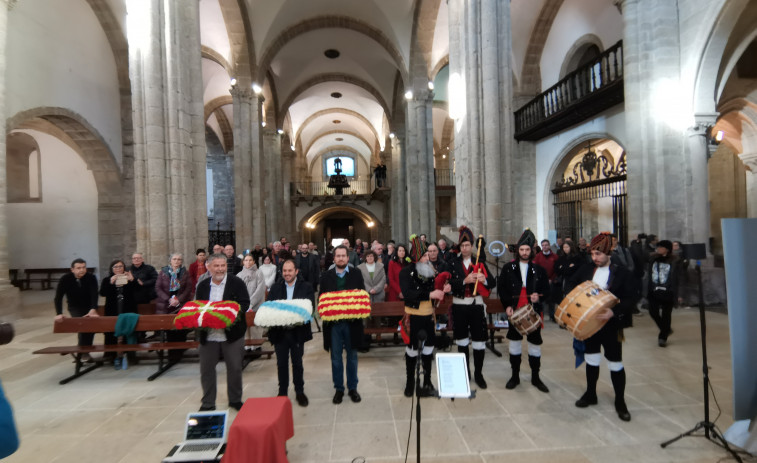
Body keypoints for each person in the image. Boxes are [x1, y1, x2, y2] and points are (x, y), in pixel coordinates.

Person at [566, 232, 635, 421]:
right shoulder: (587, 269)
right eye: (592, 254)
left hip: (611, 325)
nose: (594, 258)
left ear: (608, 253)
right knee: (592, 359)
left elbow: (631, 298)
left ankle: (620, 401)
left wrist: (615, 311)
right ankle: (591, 394)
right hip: (590, 324)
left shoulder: (622, 272)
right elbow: (571, 284)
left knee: (615, 362)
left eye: (598, 254)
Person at [195, 253, 250, 411]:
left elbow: (244, 303)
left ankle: (235, 399)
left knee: (234, 368)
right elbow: (199, 306)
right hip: (209, 334)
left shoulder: (236, 282)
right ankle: (208, 402)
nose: (220, 269)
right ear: (209, 267)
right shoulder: (203, 285)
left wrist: (228, 315)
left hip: (232, 333)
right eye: (216, 266)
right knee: (206, 369)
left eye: (223, 266)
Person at [497, 229, 550, 393]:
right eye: (522, 250)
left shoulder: (539, 270)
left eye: (527, 250)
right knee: (514, 346)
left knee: (535, 346)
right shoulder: (508, 268)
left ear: (531, 251)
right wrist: (507, 305)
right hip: (515, 312)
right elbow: (502, 289)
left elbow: (546, 291)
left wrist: (538, 298)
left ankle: (536, 377)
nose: (525, 252)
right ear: (517, 250)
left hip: (532, 313)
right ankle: (515, 376)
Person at [399, 234, 449, 397]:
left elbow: (436, 290)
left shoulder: (430, 271)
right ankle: (410, 382)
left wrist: (443, 291)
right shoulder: (405, 272)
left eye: (428, 254)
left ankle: (427, 381)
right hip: (413, 317)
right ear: (416, 257)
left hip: (428, 317)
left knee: (428, 350)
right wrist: (430, 294)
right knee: (412, 351)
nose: (428, 257)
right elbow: (408, 294)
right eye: (425, 255)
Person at [448, 226, 494, 389]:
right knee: (462, 341)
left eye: (467, 245)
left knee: (479, 341)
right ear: (459, 247)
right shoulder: (452, 263)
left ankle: (478, 374)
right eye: (462, 246)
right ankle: (465, 372)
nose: (465, 248)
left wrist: (484, 280)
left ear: (472, 246)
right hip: (459, 306)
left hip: (477, 305)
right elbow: (448, 283)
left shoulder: (479, 262)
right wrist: (463, 281)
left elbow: (492, 282)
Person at [319, 245, 366, 404]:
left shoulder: (356, 273)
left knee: (352, 357)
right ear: (334, 258)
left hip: (352, 323)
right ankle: (339, 388)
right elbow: (321, 299)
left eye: (343, 256)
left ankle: (353, 388)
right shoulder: (325, 276)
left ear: (348, 258)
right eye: (337, 256)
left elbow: (362, 295)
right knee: (336, 358)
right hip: (334, 325)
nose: (340, 258)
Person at [266, 260, 314, 407]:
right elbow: (270, 307)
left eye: (290, 270)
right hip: (280, 332)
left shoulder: (306, 287)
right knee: (281, 364)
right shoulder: (275, 288)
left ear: (296, 271)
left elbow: (309, 307)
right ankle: (282, 392)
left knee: (297, 363)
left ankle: (299, 391)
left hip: (297, 332)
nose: (287, 273)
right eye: (284, 271)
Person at [54, 258, 99, 360]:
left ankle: (84, 350)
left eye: (83, 267)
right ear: (72, 269)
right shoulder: (65, 279)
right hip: (75, 306)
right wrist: (59, 313)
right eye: (78, 268)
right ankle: (83, 352)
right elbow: (58, 297)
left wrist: (93, 308)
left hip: (89, 306)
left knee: (91, 327)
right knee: (82, 324)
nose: (82, 270)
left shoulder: (91, 277)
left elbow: (94, 294)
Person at [99, 259, 138, 368]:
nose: (118, 268)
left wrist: (132, 280)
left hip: (128, 308)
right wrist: (111, 283)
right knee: (110, 332)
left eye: (120, 266)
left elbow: (138, 290)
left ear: (124, 268)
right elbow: (103, 293)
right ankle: (110, 355)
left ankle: (130, 354)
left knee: (129, 331)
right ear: (112, 269)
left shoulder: (129, 278)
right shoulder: (107, 280)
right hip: (113, 309)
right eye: (115, 267)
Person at [156, 253, 193, 361]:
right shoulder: (163, 272)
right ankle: (172, 354)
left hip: (180, 304)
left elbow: (188, 288)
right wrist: (169, 299)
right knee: (170, 330)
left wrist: (178, 299)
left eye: (179, 259)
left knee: (180, 329)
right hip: (166, 305)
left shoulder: (185, 273)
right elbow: (158, 288)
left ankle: (179, 353)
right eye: (174, 259)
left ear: (181, 262)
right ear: (170, 261)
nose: (177, 261)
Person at [647, 240, 681, 347]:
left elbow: (680, 277)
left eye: (661, 247)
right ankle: (666, 329)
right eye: (657, 247)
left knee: (666, 314)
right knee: (653, 312)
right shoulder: (653, 258)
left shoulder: (675, 260)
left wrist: (680, 294)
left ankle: (662, 337)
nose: (658, 249)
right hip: (654, 290)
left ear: (667, 249)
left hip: (668, 291)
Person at [237, 254, 267, 346]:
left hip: (256, 304)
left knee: (255, 327)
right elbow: (238, 291)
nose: (248, 262)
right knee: (245, 326)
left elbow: (260, 289)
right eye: (246, 260)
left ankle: (256, 347)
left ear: (254, 262)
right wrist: (244, 303)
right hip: (244, 305)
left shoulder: (259, 273)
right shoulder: (239, 275)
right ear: (243, 262)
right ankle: (247, 347)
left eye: (250, 260)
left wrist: (251, 302)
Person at [533, 239, 559, 322]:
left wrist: (551, 279)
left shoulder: (555, 256)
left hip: (552, 280)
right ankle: (541, 315)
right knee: (541, 299)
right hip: (541, 281)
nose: (545, 247)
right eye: (543, 245)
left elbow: (557, 269)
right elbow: (536, 269)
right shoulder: (538, 256)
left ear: (549, 245)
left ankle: (552, 315)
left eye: (546, 245)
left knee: (551, 299)